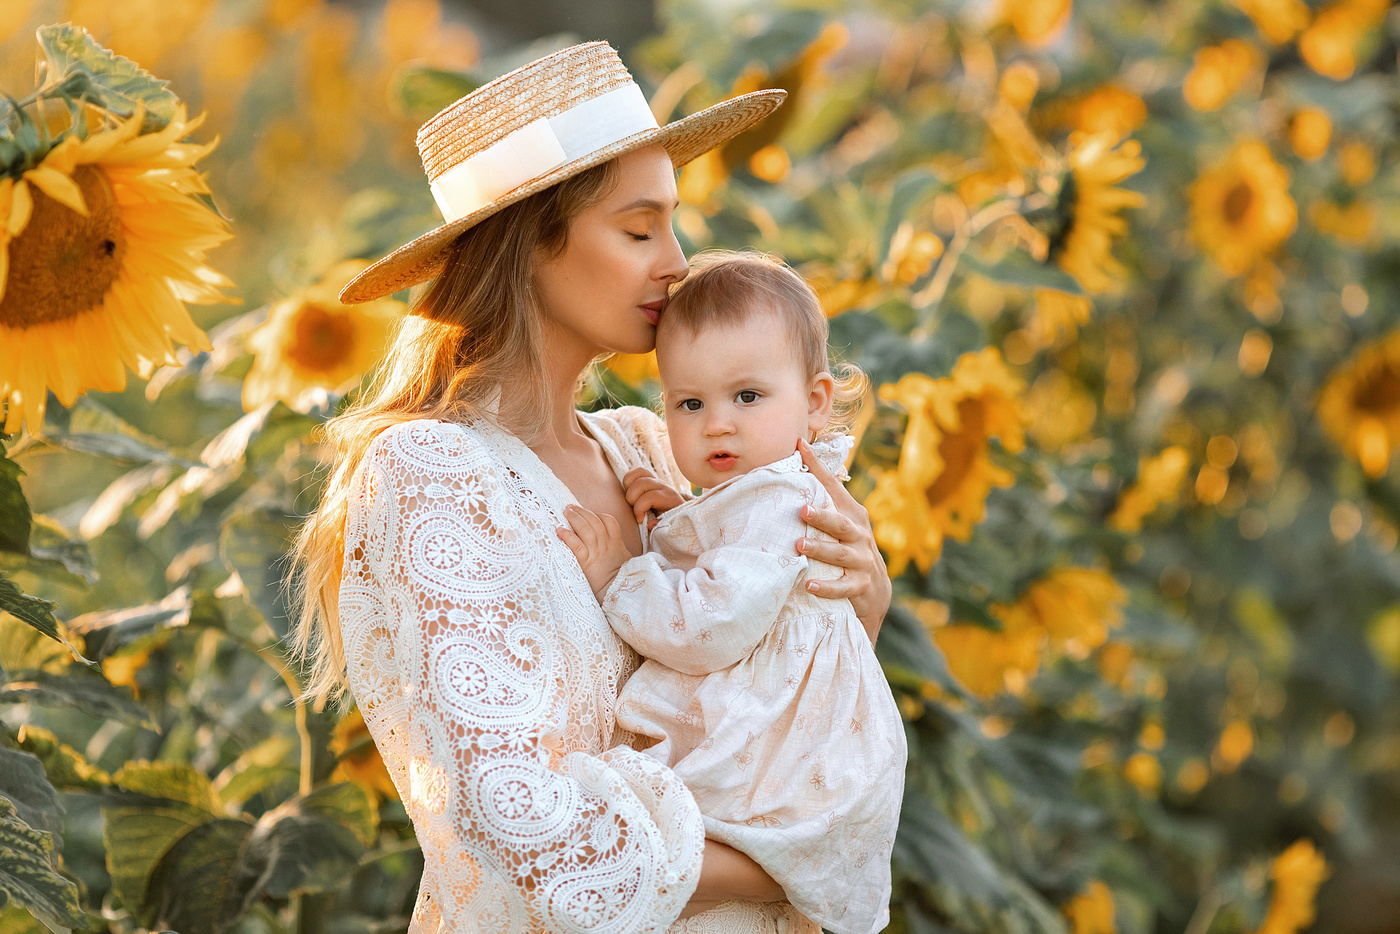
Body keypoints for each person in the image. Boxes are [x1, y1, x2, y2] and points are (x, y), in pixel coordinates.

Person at [287, 42, 893, 934]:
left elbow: (770, 716)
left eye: (674, 225)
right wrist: (797, 861)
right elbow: (529, 826)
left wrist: (857, 609)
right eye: (640, 228)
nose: (678, 263)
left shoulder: (653, 450)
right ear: (531, 242)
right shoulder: (432, 473)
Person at [557, 252, 906, 934]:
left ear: (813, 404)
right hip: (794, 736)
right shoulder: (763, 491)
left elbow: (712, 622)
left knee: (665, 817)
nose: (717, 423)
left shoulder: (783, 504)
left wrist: (620, 571)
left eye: (746, 397)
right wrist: (681, 522)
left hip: (783, 747)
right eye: (691, 403)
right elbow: (734, 562)